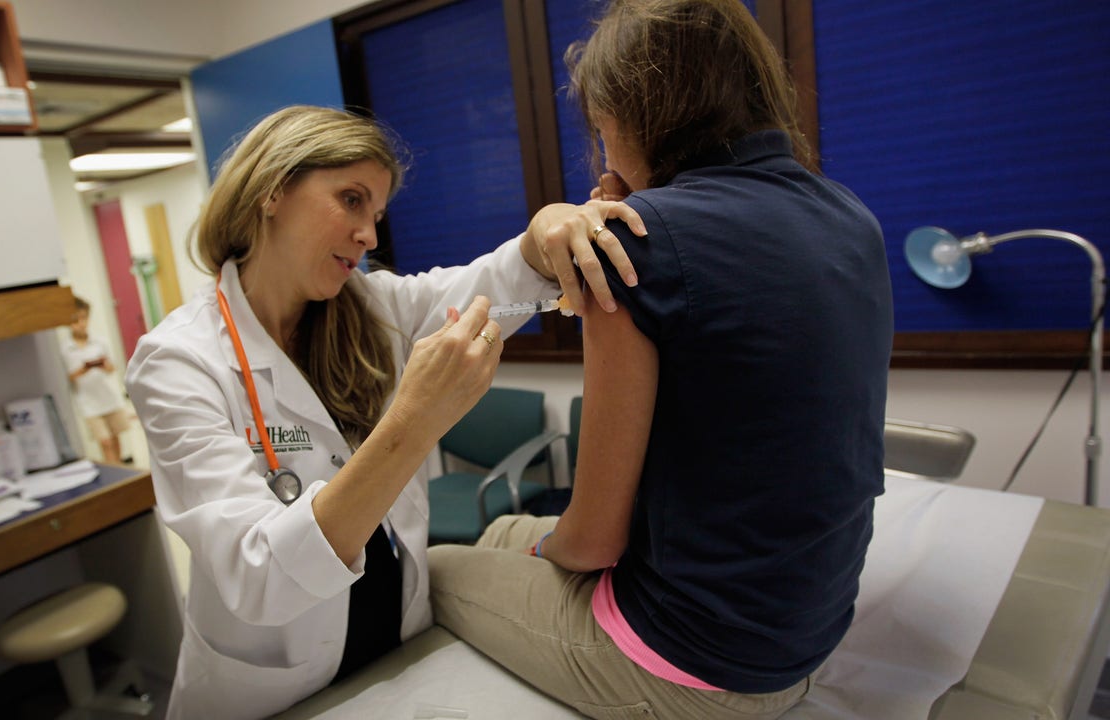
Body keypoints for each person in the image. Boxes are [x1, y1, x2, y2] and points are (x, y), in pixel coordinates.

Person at [428, 1, 894, 719]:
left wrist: (548, 554)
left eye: (602, 130)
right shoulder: (849, 217)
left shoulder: (634, 244)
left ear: (634, 114)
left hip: (696, 669)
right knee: (500, 532)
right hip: (809, 632)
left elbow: (592, 544)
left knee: (433, 567)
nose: (603, 152)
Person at [123, 104, 646, 720]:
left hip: (394, 641)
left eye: (375, 215)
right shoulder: (178, 362)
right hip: (270, 691)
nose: (369, 236)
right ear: (272, 190)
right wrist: (416, 421)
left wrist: (543, 237)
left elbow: (492, 283)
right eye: (351, 200)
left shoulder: (370, 307)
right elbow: (258, 574)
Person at [63, 296, 133, 465]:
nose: (81, 323)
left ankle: (119, 468)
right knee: (105, 441)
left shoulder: (100, 342)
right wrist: (82, 370)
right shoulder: (65, 348)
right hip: (88, 402)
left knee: (115, 438)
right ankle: (115, 469)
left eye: (84, 318)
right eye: (76, 320)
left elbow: (112, 367)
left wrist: (104, 365)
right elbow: (67, 377)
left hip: (108, 396)